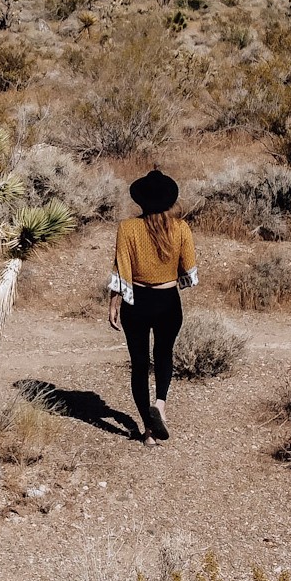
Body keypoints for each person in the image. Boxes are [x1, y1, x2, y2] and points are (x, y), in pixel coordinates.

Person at [108, 169, 198, 446]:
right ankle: (160, 404)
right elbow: (189, 268)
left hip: (137, 302)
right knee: (164, 356)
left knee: (138, 364)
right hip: (168, 300)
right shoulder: (181, 228)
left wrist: (114, 301)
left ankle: (148, 431)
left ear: (141, 201)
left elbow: (122, 267)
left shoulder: (127, 228)